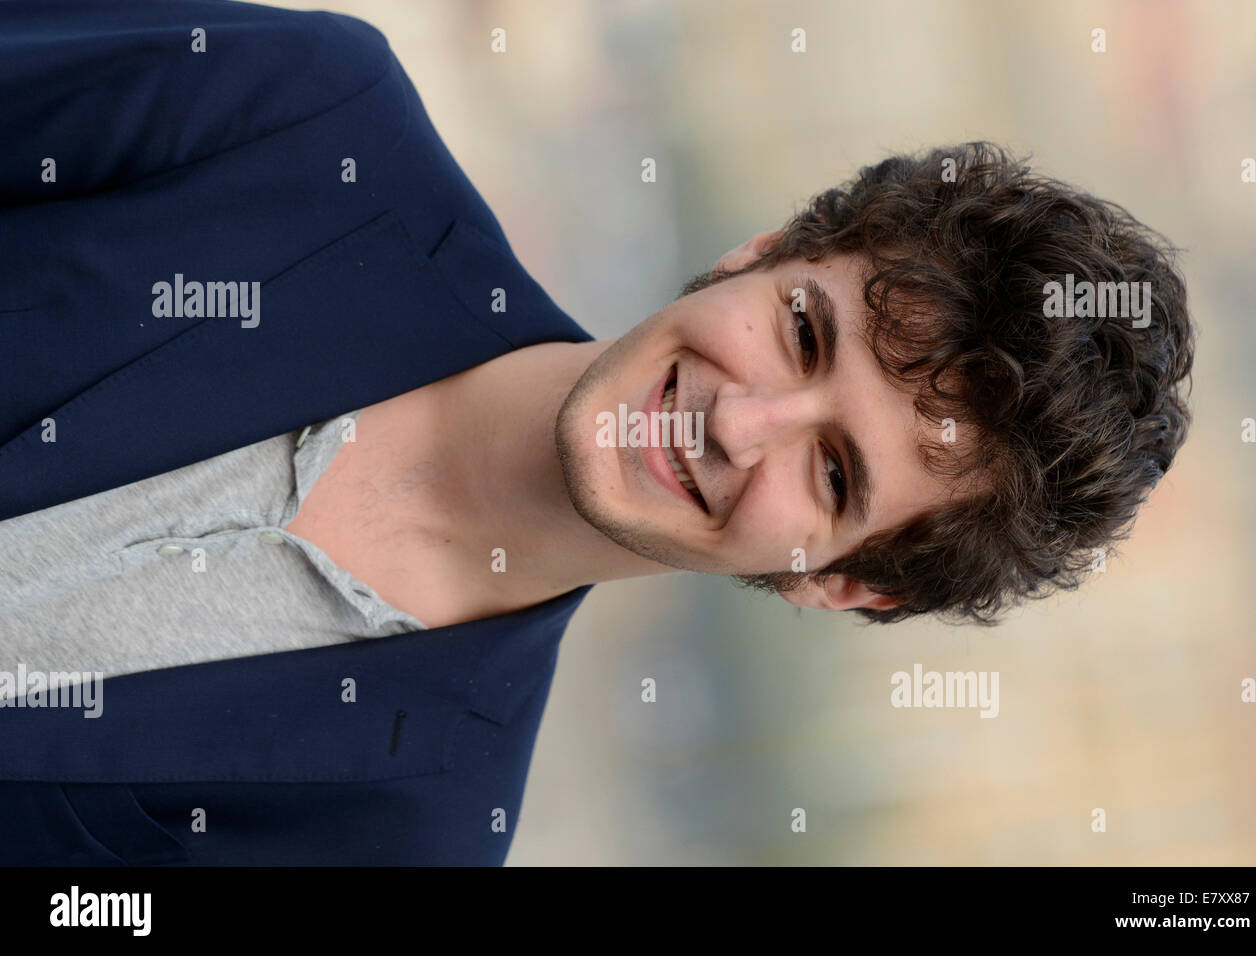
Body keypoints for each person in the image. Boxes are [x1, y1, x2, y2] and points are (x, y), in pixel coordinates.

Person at [0, 0, 1193, 865]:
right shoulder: (302, 119)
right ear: (763, 251)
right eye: (801, 333)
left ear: (838, 582)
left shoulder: (405, 832)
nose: (740, 419)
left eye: (832, 470)